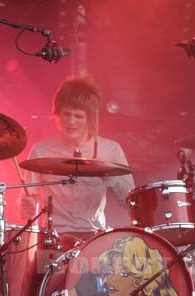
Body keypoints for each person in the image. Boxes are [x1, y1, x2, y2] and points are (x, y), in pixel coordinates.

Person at [17, 76, 134, 240]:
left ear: (91, 120)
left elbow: (130, 204)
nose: (71, 121)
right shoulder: (41, 151)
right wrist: (26, 206)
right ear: (57, 115)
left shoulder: (111, 150)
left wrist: (110, 176)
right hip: (53, 237)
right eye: (66, 114)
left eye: (78, 116)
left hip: (95, 236)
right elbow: (23, 208)